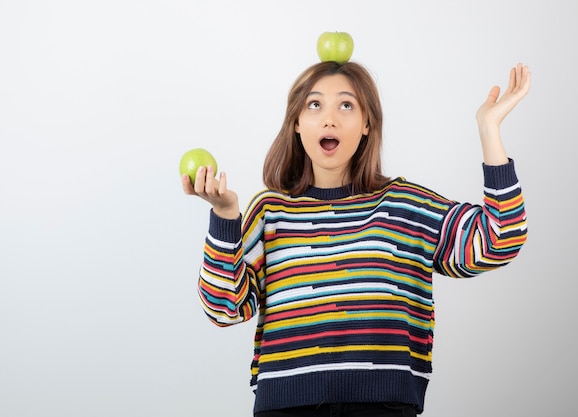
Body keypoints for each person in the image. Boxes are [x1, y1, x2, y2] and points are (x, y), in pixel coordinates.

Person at [181, 60, 530, 416]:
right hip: (286, 406)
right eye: (314, 105)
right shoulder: (270, 211)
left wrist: (489, 128)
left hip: (384, 406)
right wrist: (225, 216)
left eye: (346, 105)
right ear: (297, 123)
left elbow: (500, 239)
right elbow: (223, 308)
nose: (329, 118)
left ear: (367, 124)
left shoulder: (402, 204)